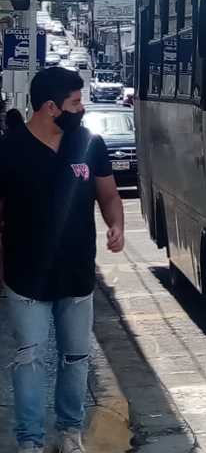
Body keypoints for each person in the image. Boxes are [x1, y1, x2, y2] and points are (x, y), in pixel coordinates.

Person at [0, 67, 125, 453]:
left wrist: (116, 224)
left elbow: (108, 194)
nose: (82, 108)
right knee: (31, 359)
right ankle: (31, 441)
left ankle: (70, 433)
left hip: (76, 275)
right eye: (75, 102)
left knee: (75, 358)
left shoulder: (88, 144)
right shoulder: (10, 151)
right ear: (51, 108)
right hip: (25, 277)